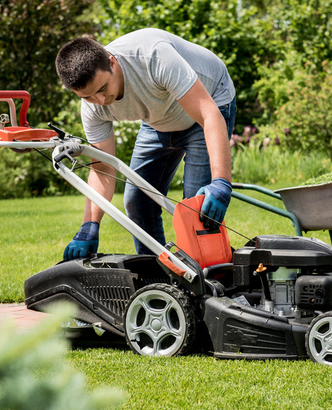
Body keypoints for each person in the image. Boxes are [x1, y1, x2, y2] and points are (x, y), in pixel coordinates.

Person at [55, 28, 236, 260]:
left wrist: (221, 183)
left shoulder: (153, 57)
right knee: (137, 200)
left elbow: (208, 114)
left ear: (112, 62)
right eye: (88, 96)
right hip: (158, 118)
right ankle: (156, 279)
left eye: (102, 89)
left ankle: (208, 284)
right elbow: (102, 168)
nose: (100, 101)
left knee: (197, 211)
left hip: (209, 103)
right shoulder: (92, 106)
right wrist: (89, 225)